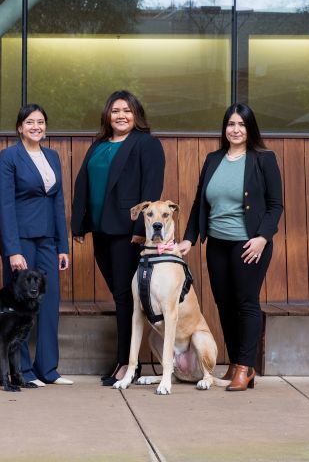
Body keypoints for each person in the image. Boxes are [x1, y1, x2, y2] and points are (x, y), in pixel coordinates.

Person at [178, 103, 283, 391]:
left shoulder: (264, 159)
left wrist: (262, 238)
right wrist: (189, 238)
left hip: (249, 244)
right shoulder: (213, 159)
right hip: (218, 244)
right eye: (230, 124)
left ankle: (246, 367)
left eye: (241, 124)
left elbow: (275, 206)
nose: (235, 130)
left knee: (245, 303)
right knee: (224, 305)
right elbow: (201, 202)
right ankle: (236, 362)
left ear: (250, 129)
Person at [71, 90, 165, 386]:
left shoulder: (146, 144)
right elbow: (83, 184)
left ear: (136, 114)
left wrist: (140, 232)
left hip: (127, 232)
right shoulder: (98, 145)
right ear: (107, 116)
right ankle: (127, 360)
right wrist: (79, 225)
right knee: (122, 296)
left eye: (126, 110)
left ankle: (128, 363)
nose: (121, 115)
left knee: (126, 297)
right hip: (101, 229)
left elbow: (151, 191)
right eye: (115, 111)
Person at [0, 103, 72, 386]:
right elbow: (5, 205)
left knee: (49, 303)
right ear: (19, 127)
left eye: (40, 122)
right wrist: (13, 249)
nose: (36, 127)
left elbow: (58, 202)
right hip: (22, 239)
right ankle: (23, 371)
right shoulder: (8, 157)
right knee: (20, 305)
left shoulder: (52, 156)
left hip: (48, 240)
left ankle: (48, 370)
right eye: (30, 122)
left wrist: (63, 245)